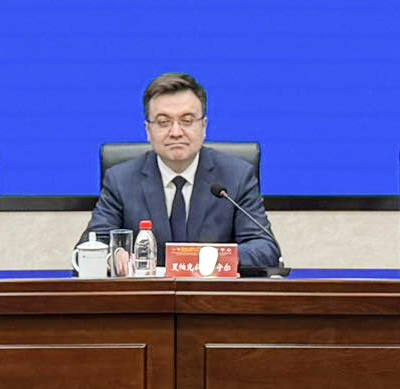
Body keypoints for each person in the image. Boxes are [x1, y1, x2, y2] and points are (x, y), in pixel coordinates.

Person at [84, 73, 280, 269]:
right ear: (148, 130)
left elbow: (265, 248)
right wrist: (113, 257)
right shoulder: (120, 180)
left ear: (203, 126)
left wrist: (214, 258)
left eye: (187, 121)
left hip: (212, 287)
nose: (176, 132)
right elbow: (92, 243)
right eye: (163, 122)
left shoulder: (236, 177)